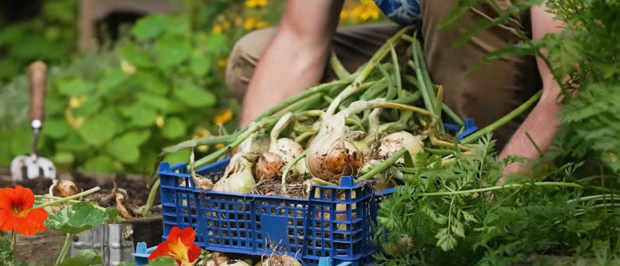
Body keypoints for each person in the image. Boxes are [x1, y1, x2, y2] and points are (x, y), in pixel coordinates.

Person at [225, 0, 563, 174]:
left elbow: (569, 88)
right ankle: (393, 160)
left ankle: (475, 169)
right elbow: (298, 43)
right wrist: (242, 169)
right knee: (251, 60)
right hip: (435, 53)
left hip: (535, 69)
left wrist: (485, 212)